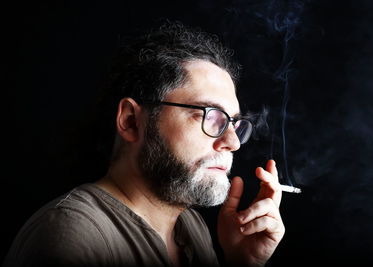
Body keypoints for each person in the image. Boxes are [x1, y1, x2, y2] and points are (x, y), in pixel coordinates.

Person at [4, 21, 285, 267]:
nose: (232, 142)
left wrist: (242, 263)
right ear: (131, 121)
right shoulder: (74, 238)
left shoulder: (191, 227)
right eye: (210, 116)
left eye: (233, 123)